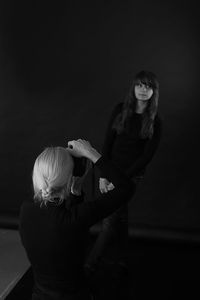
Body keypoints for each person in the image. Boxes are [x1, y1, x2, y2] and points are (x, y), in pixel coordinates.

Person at [19, 139, 134, 300]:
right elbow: (126, 188)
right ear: (69, 177)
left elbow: (64, 236)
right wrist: (91, 153)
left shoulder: (26, 210)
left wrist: (75, 192)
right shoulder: (76, 218)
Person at [86, 70, 162, 273]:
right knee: (121, 216)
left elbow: (145, 158)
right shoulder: (120, 110)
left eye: (148, 86)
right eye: (140, 85)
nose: (143, 90)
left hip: (131, 175)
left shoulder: (155, 121)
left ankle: (89, 264)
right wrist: (103, 175)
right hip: (110, 170)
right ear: (134, 88)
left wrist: (120, 181)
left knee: (110, 221)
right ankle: (122, 258)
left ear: (154, 91)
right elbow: (107, 143)